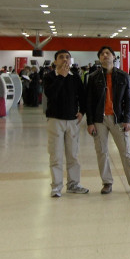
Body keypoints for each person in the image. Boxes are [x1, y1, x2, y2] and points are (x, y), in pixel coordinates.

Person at [85, 46, 130, 194]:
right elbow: (89, 101)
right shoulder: (93, 77)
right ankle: (107, 182)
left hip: (118, 119)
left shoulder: (123, 76)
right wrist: (90, 122)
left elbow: (128, 99)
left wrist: (127, 119)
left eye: (108, 53)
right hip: (99, 119)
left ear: (113, 57)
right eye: (102, 54)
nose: (105, 55)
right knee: (102, 152)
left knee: (126, 151)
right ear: (99, 58)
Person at [43, 49, 89, 197]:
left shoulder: (75, 78)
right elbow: (50, 94)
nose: (64, 60)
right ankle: (56, 186)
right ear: (55, 61)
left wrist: (82, 112)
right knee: (55, 154)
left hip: (72, 121)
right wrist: (61, 77)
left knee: (73, 155)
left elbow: (83, 96)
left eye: (67, 57)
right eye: (61, 57)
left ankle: (73, 184)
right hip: (55, 120)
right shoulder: (49, 77)